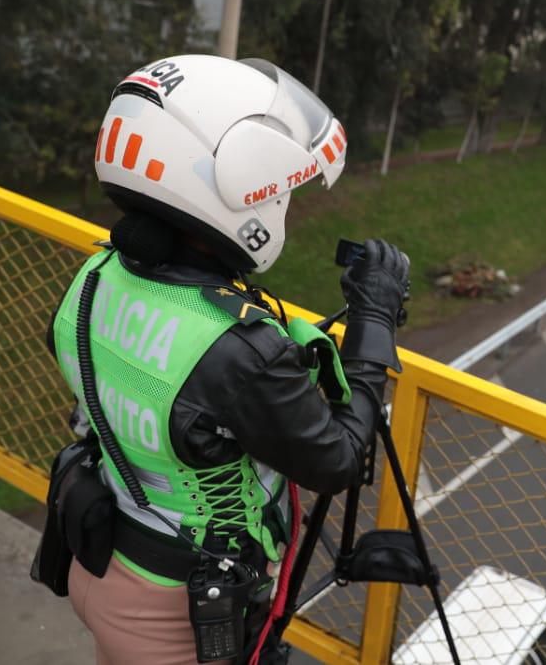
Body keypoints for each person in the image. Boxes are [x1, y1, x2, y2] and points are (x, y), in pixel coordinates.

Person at [42, 55, 409, 664]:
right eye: (283, 191)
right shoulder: (237, 352)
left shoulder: (94, 275)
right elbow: (339, 459)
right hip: (176, 618)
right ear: (235, 193)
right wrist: (372, 325)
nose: (284, 203)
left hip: (101, 560)